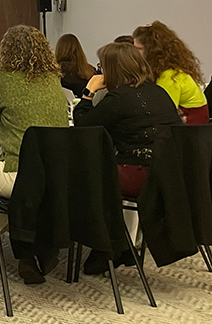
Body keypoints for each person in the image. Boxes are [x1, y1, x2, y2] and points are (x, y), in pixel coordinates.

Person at [73, 41, 182, 274]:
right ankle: (120, 245)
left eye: (102, 66)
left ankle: (107, 247)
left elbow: (83, 127)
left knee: (83, 178)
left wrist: (88, 92)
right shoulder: (159, 92)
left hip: (138, 174)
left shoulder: (119, 99)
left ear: (112, 69)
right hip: (169, 174)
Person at [0, 25, 68, 282]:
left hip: (19, 171)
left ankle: (22, 253)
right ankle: (42, 246)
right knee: (31, 190)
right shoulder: (53, 80)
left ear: (7, 50)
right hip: (58, 175)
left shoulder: (2, 79)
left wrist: (4, 134)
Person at [133, 21, 209, 124]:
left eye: (139, 49)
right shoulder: (170, 72)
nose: (134, 53)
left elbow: (162, 113)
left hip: (189, 131)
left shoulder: (170, 77)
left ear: (153, 51)